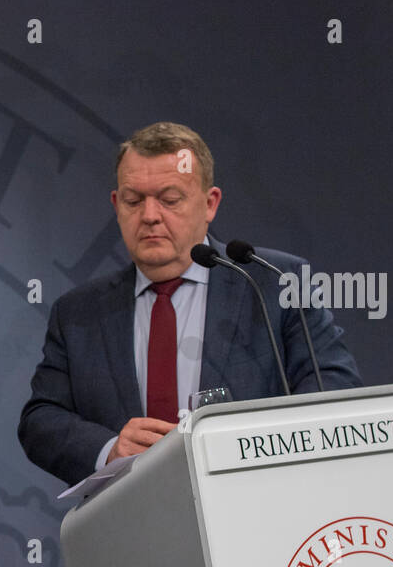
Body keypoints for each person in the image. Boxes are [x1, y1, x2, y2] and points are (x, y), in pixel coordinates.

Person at [18, 122, 361, 485]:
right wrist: (109, 449)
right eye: (134, 200)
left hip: (259, 507)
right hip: (133, 521)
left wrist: (246, 449)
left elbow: (332, 386)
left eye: (169, 199)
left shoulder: (274, 281)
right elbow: (41, 420)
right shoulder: (78, 313)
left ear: (209, 203)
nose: (149, 215)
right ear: (117, 205)